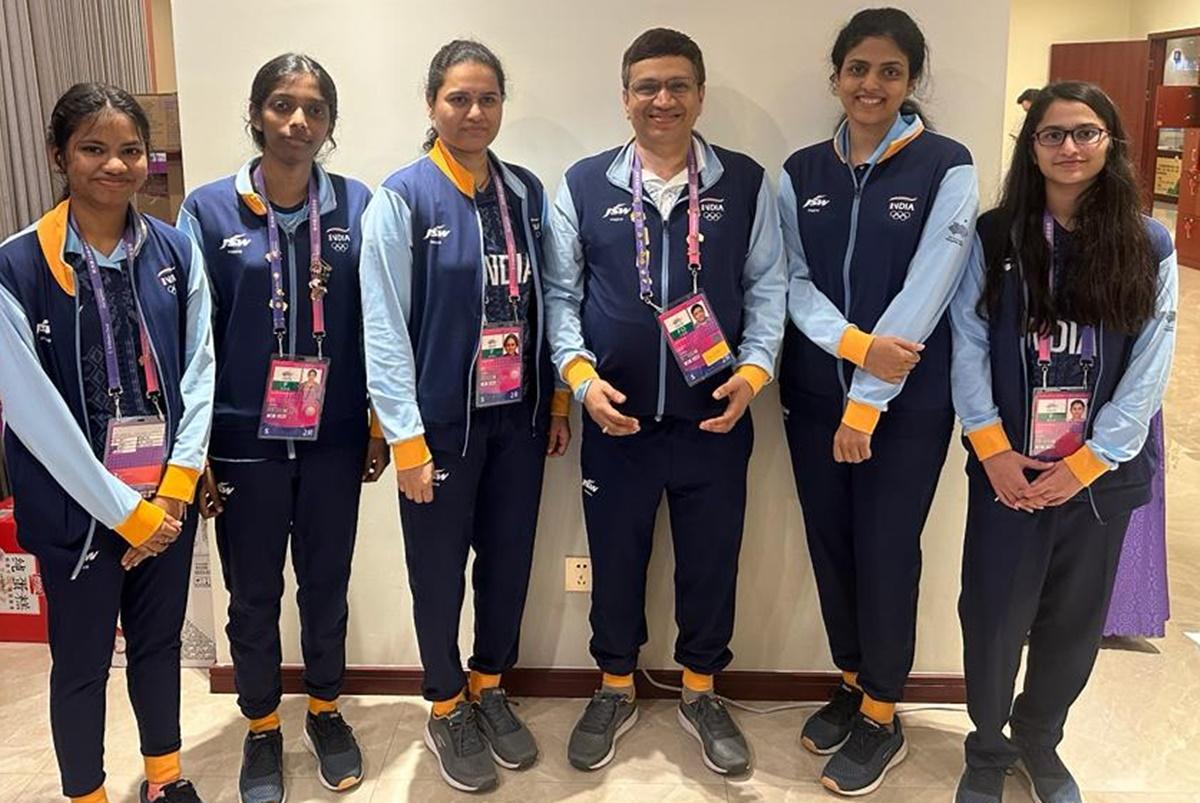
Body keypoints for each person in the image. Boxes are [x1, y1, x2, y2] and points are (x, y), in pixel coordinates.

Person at [544, 27, 787, 777]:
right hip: (615, 422)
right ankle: (615, 685)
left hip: (716, 418)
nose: (662, 99)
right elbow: (559, 298)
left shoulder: (744, 181)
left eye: (678, 85)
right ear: (624, 99)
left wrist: (752, 375)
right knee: (616, 560)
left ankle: (702, 688)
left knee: (711, 563)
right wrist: (581, 381)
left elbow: (768, 287)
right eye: (647, 86)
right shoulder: (584, 184)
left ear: (700, 95)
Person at [951, 81, 1176, 803]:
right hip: (1007, 468)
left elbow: (1151, 365)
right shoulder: (996, 236)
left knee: (1073, 625)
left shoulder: (1148, 241)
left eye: (1086, 133)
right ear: (1032, 146)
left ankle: (1039, 742)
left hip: (1099, 477)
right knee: (991, 616)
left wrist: (1085, 463)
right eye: (1053, 135)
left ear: (1110, 143)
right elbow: (966, 342)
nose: (1070, 148)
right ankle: (986, 750)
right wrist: (989, 446)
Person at [360, 39, 571, 793]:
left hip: (515, 415)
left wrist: (553, 397)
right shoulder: (403, 197)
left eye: (487, 98)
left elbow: (547, 299)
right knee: (438, 571)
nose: (474, 111)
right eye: (458, 98)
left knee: (508, 562)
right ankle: (445, 700)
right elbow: (382, 327)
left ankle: (490, 683)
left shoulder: (526, 192)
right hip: (440, 427)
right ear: (431, 105)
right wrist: (406, 437)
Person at [777, 7, 979, 796]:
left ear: (911, 81)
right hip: (811, 394)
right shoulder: (800, 171)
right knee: (831, 546)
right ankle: (856, 679)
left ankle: (885, 711)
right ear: (836, 78)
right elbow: (790, 281)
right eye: (858, 69)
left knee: (887, 551)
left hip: (906, 408)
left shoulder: (946, 164)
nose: (872, 83)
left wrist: (868, 397)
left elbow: (932, 284)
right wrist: (854, 347)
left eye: (890, 70)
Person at [178, 53, 387, 802]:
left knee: (327, 583)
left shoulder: (360, 206)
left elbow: (379, 325)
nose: (297, 120)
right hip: (242, 440)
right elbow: (190, 338)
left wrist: (376, 419)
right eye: (281, 104)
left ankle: (326, 709)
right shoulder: (207, 211)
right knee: (254, 592)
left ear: (329, 123)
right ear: (257, 113)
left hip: (334, 436)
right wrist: (193, 447)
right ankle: (262, 724)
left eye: (314, 108)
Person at [0, 83, 214, 803]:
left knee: (158, 647)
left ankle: (164, 778)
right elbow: (31, 409)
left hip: (167, 501)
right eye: (94, 149)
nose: (115, 166)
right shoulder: (17, 265)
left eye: (130, 150)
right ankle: (86, 793)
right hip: (79, 511)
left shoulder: (177, 251)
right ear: (59, 154)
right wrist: (123, 508)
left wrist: (175, 487)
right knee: (83, 661)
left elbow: (199, 369)